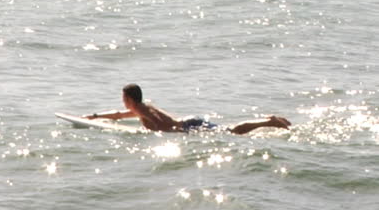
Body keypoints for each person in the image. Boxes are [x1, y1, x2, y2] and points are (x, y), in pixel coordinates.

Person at [84, 83, 292, 135]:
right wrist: (94, 116)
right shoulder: (143, 107)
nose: (122, 101)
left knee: (232, 132)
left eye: (123, 97)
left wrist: (164, 135)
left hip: (188, 128)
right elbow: (119, 115)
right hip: (189, 122)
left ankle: (269, 121)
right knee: (230, 130)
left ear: (128, 98)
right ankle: (269, 121)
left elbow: (157, 125)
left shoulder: (142, 111)